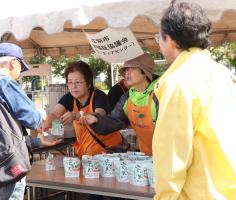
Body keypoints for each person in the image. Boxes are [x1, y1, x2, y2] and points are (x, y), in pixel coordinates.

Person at [153, 1, 236, 199]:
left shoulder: (178, 83)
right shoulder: (222, 73)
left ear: (171, 40)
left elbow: (172, 159)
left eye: (159, 38)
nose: (159, 43)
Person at [0, 42, 61, 200]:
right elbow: (33, 118)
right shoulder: (4, 83)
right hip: (8, 168)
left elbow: (1, 133)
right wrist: (43, 118)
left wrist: (36, 142)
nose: (19, 73)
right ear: (13, 63)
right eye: (21, 66)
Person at [79, 53, 158, 155]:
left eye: (132, 68)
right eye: (125, 70)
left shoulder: (160, 94)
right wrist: (96, 120)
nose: (127, 73)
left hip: (171, 158)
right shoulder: (128, 97)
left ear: (145, 72)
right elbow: (114, 120)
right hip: (147, 157)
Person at [41, 61, 123, 157]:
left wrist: (75, 115)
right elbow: (55, 114)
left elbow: (98, 115)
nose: (73, 86)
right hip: (86, 155)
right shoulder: (69, 98)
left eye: (78, 82)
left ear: (88, 84)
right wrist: (47, 124)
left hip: (109, 154)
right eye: (70, 82)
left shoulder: (99, 96)